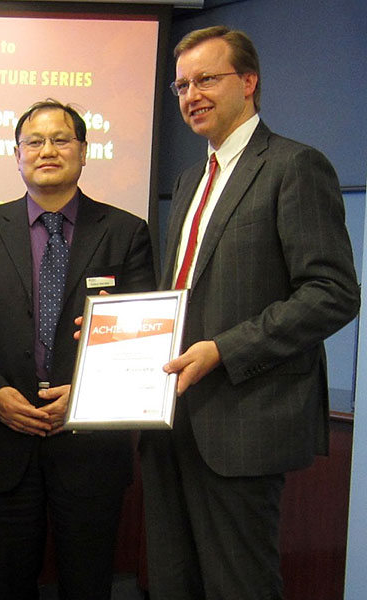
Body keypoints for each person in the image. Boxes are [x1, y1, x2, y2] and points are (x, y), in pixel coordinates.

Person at [140, 26, 360, 600]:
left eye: (206, 79)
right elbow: (186, 292)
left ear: (249, 81)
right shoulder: (191, 180)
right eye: (182, 84)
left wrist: (224, 350)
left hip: (243, 421)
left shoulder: (294, 166)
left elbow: (333, 292)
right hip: (171, 419)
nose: (191, 95)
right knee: (172, 582)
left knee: (239, 586)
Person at [0, 100, 156, 599]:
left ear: (84, 152)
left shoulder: (126, 232)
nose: (47, 150)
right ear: (16, 154)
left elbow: (141, 339)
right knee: (5, 585)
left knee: (87, 585)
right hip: (2, 441)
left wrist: (86, 395)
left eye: (61, 140)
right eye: (34, 141)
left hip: (89, 448)